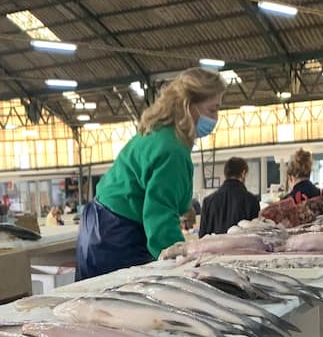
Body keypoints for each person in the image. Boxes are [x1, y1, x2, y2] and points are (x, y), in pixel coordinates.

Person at [75, 68, 224, 280]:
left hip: (98, 225)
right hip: (117, 236)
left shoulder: (158, 132)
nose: (215, 118)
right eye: (212, 110)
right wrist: (182, 264)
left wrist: (183, 205)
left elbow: (152, 190)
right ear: (188, 105)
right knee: (123, 298)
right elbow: (159, 218)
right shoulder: (172, 149)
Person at [198, 157, 260, 236]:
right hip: (241, 244)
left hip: (215, 244)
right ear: (243, 173)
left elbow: (202, 236)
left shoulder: (208, 201)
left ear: (225, 174)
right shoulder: (251, 200)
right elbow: (255, 237)